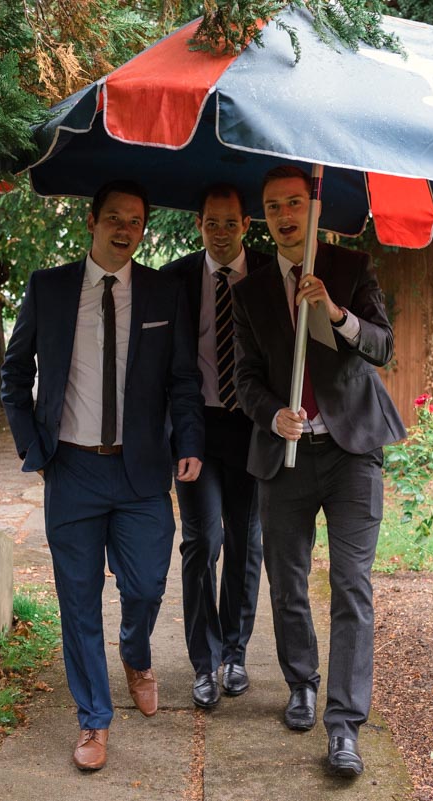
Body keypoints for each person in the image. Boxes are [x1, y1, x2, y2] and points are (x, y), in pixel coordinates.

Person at [0, 179, 205, 772]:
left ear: (144, 228)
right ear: (92, 220)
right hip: (72, 472)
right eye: (114, 217)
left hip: (141, 473)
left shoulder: (164, 293)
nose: (125, 229)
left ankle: (136, 655)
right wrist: (33, 447)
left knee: (143, 586)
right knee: (79, 601)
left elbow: (182, 381)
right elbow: (15, 376)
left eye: (135, 221)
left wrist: (188, 441)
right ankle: (94, 718)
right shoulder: (50, 289)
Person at [230, 165, 406, 778]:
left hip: (353, 449)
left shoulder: (350, 269)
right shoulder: (249, 292)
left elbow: (383, 346)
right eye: (273, 206)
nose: (285, 215)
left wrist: (334, 313)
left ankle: (344, 725)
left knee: (353, 585)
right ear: (263, 216)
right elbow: (244, 379)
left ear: (313, 208)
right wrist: (272, 413)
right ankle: (301, 681)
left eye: (295, 204)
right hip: (288, 455)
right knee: (287, 580)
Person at [160, 184, 270, 709]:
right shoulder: (177, 279)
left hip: (253, 426)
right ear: (198, 224)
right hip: (197, 427)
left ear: (246, 225)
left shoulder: (272, 275)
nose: (220, 233)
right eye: (211, 223)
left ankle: (234, 653)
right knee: (203, 540)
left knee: (246, 542)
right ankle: (202, 663)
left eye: (230, 223)